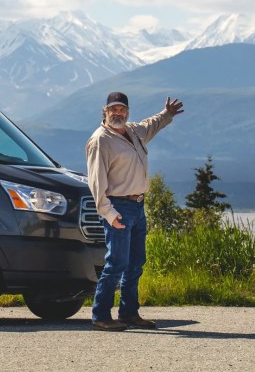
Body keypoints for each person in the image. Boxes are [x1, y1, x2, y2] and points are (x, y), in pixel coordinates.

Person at [86, 91, 184, 331]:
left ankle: (129, 313)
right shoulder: (101, 140)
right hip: (118, 208)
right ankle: (100, 315)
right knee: (116, 263)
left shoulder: (133, 131)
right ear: (105, 111)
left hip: (138, 207)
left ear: (127, 112)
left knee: (136, 262)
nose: (117, 113)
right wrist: (109, 213)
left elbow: (152, 124)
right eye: (113, 109)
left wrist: (167, 114)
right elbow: (96, 182)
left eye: (121, 109)